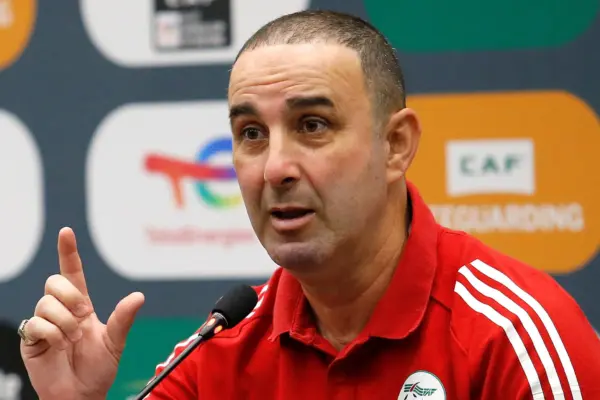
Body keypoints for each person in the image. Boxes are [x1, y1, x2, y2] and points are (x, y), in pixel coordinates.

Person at [18, 9, 600, 400]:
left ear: (396, 145)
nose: (275, 167)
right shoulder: (221, 350)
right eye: (251, 133)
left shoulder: (514, 339)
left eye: (312, 125)